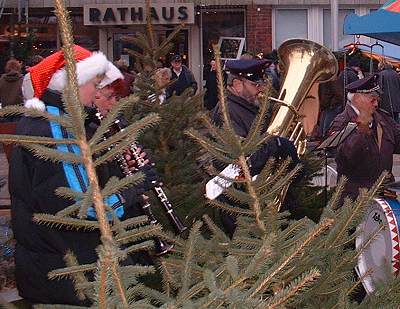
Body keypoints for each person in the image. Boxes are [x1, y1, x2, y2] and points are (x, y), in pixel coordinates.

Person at [9, 45, 156, 306]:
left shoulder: (52, 121)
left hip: (58, 266)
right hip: (66, 272)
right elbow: (84, 205)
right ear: (72, 83)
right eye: (95, 84)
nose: (97, 92)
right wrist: (135, 186)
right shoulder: (56, 128)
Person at [212, 59, 299, 236]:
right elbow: (241, 163)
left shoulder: (251, 107)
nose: (261, 89)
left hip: (261, 198)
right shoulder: (227, 113)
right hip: (241, 206)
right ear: (237, 84)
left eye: (262, 83)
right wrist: (276, 144)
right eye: (255, 84)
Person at [328, 74, 400, 202]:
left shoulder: (383, 118)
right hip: (354, 199)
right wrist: (362, 130)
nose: (377, 103)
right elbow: (344, 158)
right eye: (372, 100)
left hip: (386, 195)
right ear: (357, 99)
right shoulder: (341, 122)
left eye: (377, 99)